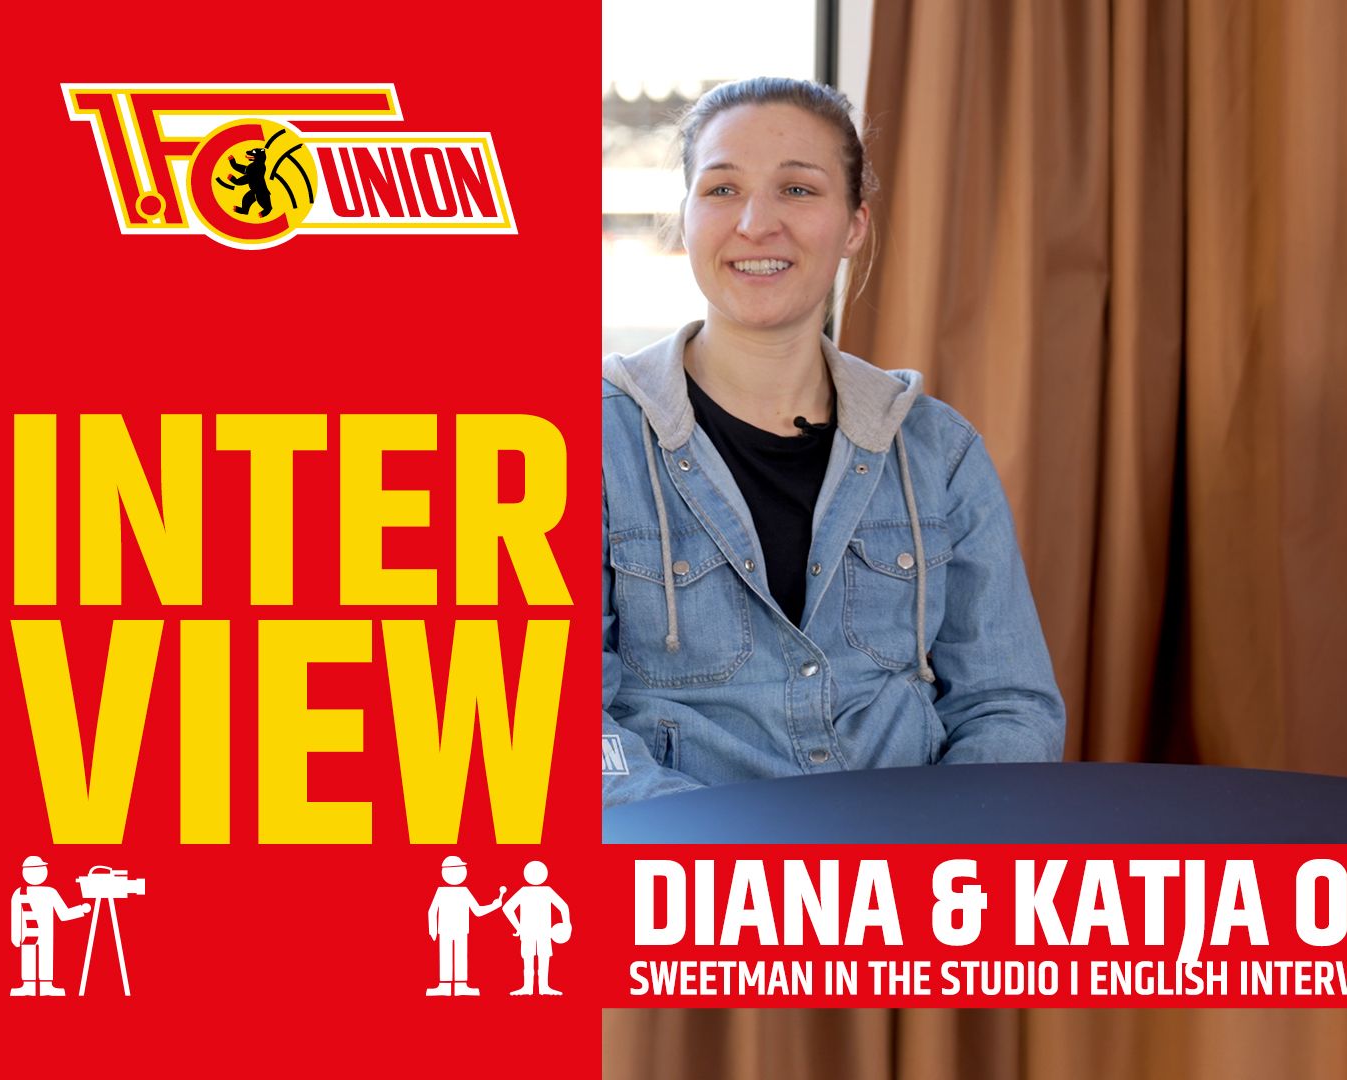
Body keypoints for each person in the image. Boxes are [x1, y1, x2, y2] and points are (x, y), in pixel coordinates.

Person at [601, 77, 1065, 804]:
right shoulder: (588, 445)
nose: (756, 223)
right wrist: (724, 862)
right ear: (685, 219)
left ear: (854, 225)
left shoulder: (941, 452)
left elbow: (1008, 705)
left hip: (901, 878)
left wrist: (926, 851)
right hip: (683, 880)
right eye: (722, 190)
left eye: (798, 190)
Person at [10, 855, 88, 996]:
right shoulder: (19, 893)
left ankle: (46, 986)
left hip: (44, 933)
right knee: (28, 957)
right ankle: (28, 986)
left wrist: (80, 910)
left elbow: (63, 914)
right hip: (28, 933)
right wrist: (15, 935)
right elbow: (15, 915)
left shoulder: (49, 892)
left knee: (45, 957)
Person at [427, 855, 505, 996]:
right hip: (444, 931)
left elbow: (478, 911)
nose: (463, 872)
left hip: (461, 930)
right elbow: (432, 911)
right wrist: (432, 930)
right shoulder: (441, 891)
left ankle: (461, 985)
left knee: (460, 955)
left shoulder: (464, 891)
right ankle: (444, 986)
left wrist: (494, 906)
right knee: (446, 955)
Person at [501, 860, 569, 996]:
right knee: (530, 957)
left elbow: (563, 906)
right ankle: (530, 987)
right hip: (532, 933)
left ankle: (541, 987)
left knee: (541, 957)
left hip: (542, 933)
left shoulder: (539, 891)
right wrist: (567, 924)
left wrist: (518, 927)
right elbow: (564, 907)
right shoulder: (528, 891)